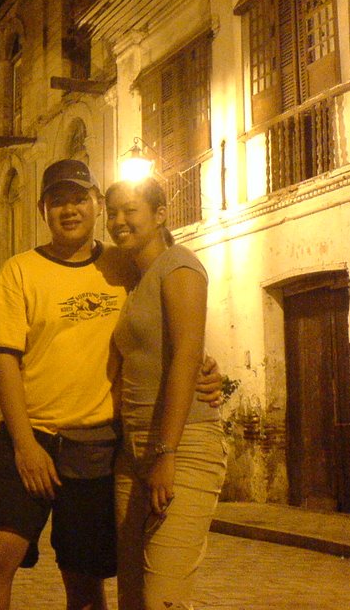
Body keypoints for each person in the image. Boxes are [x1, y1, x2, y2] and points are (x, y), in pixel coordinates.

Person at [0, 159, 221, 610]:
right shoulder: (18, 271)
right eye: (57, 201)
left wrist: (210, 369)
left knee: (83, 577)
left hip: (99, 445)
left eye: (79, 198)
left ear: (96, 205)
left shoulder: (125, 265)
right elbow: (4, 360)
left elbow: (171, 336)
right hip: (32, 437)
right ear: (42, 209)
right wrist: (25, 445)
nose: (69, 209)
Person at [105, 178, 227, 610]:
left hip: (182, 445)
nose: (119, 220)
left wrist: (166, 452)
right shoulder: (134, 281)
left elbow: (186, 355)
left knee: (163, 597)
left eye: (130, 210)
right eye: (113, 211)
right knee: (132, 596)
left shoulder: (179, 265)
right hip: (132, 452)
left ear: (159, 216)